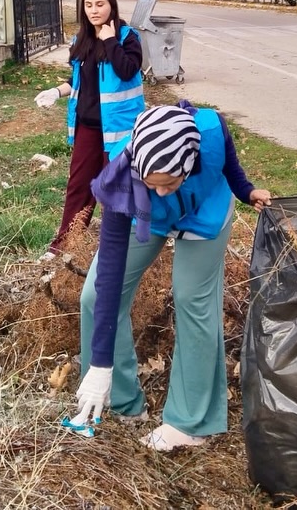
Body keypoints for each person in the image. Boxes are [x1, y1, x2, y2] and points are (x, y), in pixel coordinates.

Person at [72, 103, 272, 451]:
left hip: (204, 214)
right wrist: (100, 363)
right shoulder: (122, 178)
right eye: (154, 184)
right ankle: (117, 397)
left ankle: (189, 423)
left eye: (168, 183)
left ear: (187, 164)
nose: (162, 191)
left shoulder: (208, 130)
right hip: (144, 214)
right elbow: (109, 275)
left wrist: (246, 191)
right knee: (95, 295)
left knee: (193, 301)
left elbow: (227, 161)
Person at [34, 0, 143, 258]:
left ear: (111, 6)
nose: (94, 10)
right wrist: (56, 91)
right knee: (79, 186)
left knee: (117, 189)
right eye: (89, 5)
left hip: (120, 130)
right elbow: (79, 80)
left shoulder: (128, 37)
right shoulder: (80, 39)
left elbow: (128, 70)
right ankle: (64, 244)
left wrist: (110, 40)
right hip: (87, 127)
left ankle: (124, 248)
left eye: (100, 4)